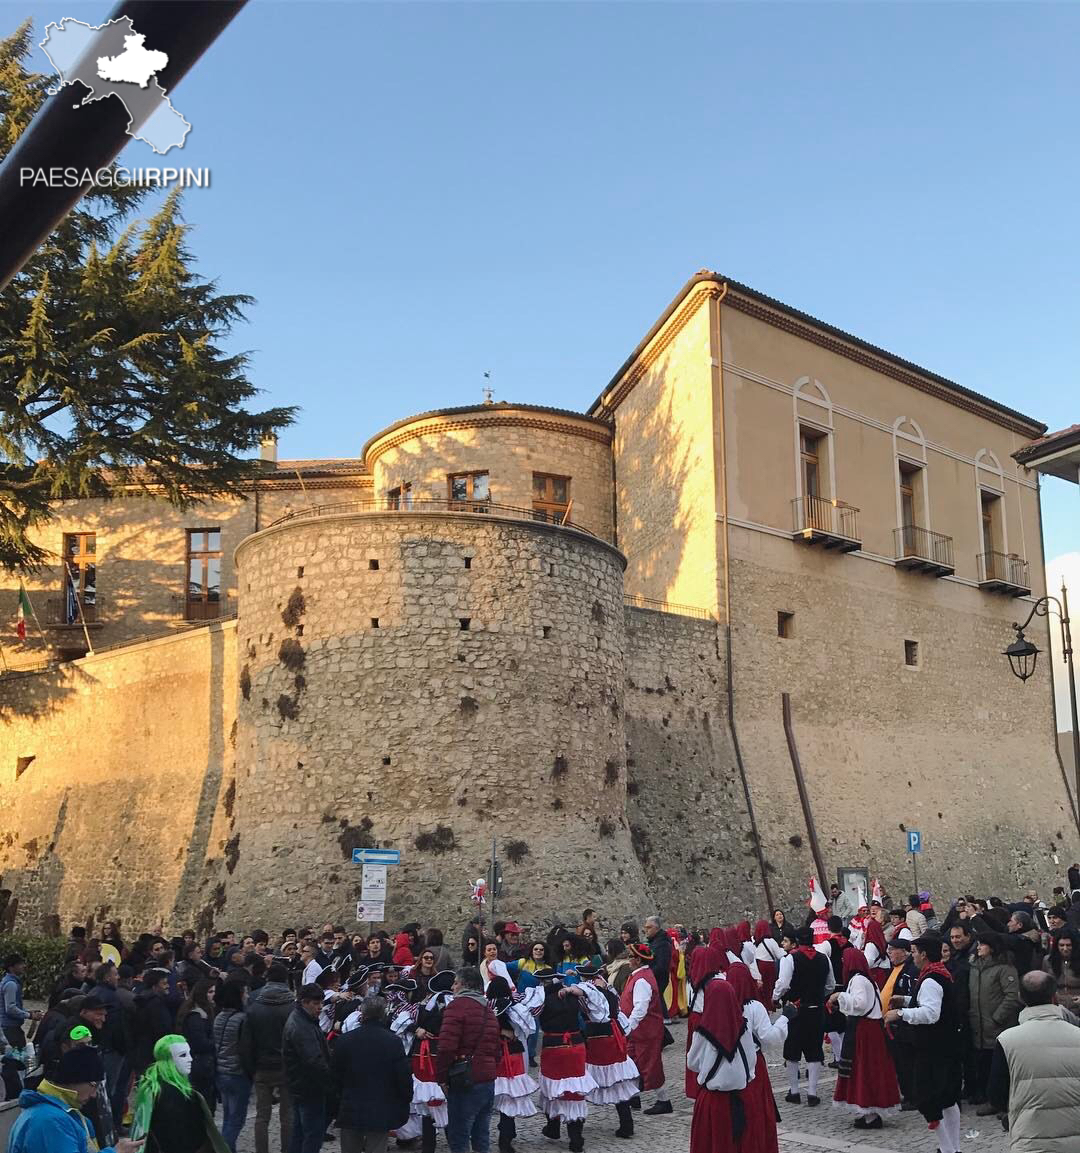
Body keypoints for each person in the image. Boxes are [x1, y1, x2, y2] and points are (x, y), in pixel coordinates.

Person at [884, 935, 962, 1153]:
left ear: (924, 954)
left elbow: (930, 1013)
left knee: (927, 1097)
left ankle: (947, 1148)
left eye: (915, 951)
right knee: (947, 1098)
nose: (913, 956)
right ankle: (953, 1147)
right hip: (945, 1044)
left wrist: (899, 1013)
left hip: (933, 1047)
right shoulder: (938, 974)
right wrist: (907, 1000)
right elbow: (933, 1002)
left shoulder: (930, 979)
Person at [988, 969, 1080, 1149]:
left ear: (1020, 997)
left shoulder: (1007, 1040)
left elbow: (996, 1095)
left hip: (1030, 1138)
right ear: (1055, 996)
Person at [8, 1044, 144, 1153]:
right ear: (75, 1079)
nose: (94, 1095)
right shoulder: (50, 1121)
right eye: (94, 1085)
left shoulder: (59, 1112)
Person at [826, 949, 899, 1129]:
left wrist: (839, 996)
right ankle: (865, 1112)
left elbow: (860, 1004)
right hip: (864, 1028)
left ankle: (870, 1114)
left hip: (865, 1030)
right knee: (863, 1070)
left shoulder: (858, 980)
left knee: (865, 1070)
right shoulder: (864, 979)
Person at [332, 995, 413, 1153]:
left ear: (363, 1013)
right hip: (380, 1106)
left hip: (350, 1105)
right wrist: (405, 1099)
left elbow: (334, 1076)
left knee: (349, 1147)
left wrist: (335, 1104)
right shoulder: (393, 1042)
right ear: (383, 1014)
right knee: (377, 1147)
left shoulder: (345, 1040)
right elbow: (402, 1076)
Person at [686, 975, 757, 1153]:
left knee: (710, 1145)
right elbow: (751, 1064)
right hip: (739, 1098)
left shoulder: (702, 1033)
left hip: (712, 1101)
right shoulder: (745, 1029)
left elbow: (692, 1063)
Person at [435, 965, 501, 1153]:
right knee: (481, 1134)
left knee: (459, 1136)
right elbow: (496, 1047)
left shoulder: (456, 1006)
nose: (453, 988)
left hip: (465, 1078)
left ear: (463, 985)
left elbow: (446, 1046)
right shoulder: (488, 1010)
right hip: (487, 1078)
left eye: (455, 983)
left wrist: (441, 1077)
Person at [725, 962, 789, 1153]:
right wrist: (785, 1018)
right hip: (753, 1064)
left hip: (728, 1067)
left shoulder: (722, 1005)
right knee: (756, 1111)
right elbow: (768, 1038)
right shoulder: (754, 1007)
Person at [569, 964, 637, 1140]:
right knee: (618, 1080)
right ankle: (626, 1124)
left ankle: (576, 1130)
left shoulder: (587, 990)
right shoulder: (608, 989)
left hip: (597, 1037)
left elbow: (579, 994)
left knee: (585, 1080)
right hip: (615, 1035)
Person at [131, 1034, 229, 1153]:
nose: (190, 1059)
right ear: (168, 1060)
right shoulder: (176, 1094)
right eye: (183, 1055)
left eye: (189, 1053)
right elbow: (183, 1138)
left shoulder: (153, 1088)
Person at [534, 966, 597, 1151]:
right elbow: (589, 1010)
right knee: (574, 1090)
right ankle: (575, 1138)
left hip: (553, 1047)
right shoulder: (574, 996)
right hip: (576, 1045)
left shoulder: (542, 998)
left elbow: (530, 1014)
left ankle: (553, 1127)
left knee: (553, 1087)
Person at [775, 927, 831, 1106]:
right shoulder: (824, 958)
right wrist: (819, 995)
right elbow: (830, 984)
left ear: (797, 941)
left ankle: (794, 1091)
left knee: (792, 1051)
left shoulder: (790, 958)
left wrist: (775, 997)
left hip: (797, 1010)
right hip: (816, 1009)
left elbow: (783, 984)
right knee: (814, 1050)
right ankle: (813, 1093)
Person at [484, 975, 540, 1152]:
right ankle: (506, 1137)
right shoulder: (515, 1007)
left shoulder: (485, 1007)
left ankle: (505, 1132)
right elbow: (528, 1028)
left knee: (499, 1093)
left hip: (492, 1054)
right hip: (512, 1054)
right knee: (510, 1094)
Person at [967, 931, 1020, 1112]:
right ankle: (988, 1097)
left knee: (999, 1067)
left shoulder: (1005, 968)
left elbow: (1012, 996)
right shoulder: (974, 966)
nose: (979, 947)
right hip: (978, 1024)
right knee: (983, 1064)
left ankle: (1000, 1102)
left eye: (983, 944)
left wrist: (997, 1017)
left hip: (997, 1025)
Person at [246, 961, 295, 1153]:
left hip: (261, 1066)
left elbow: (246, 1042)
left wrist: (251, 1068)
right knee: (287, 1116)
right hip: (286, 1066)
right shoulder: (292, 1005)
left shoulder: (254, 1004)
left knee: (261, 1116)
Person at [620, 942, 669, 1115]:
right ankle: (633, 1096)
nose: (628, 960)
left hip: (646, 1030)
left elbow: (641, 1007)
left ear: (639, 960)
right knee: (631, 1061)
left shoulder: (642, 980)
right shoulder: (639, 976)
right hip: (639, 1031)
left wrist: (628, 1026)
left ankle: (664, 1101)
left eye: (631, 957)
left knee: (650, 1065)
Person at [282, 983, 332, 1153]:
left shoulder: (303, 1019)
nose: (320, 1007)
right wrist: (331, 1081)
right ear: (304, 1002)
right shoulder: (301, 1026)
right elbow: (314, 1061)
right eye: (316, 1004)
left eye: (321, 1003)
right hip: (309, 1087)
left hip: (301, 1085)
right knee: (312, 1134)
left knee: (300, 1132)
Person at [213, 978, 253, 1153]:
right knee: (236, 1119)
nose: (247, 995)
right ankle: (225, 1149)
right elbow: (246, 1049)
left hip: (221, 1071)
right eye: (244, 992)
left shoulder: (219, 1016)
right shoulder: (242, 1019)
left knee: (229, 1115)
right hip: (237, 1073)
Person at [176, 978, 217, 1109]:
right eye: (210, 992)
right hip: (199, 1064)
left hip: (201, 1063)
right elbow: (200, 1043)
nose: (213, 995)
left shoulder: (200, 1013)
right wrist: (217, 1043)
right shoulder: (196, 1016)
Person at [131, 969, 174, 1079]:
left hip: (143, 1053)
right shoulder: (155, 1004)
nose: (168, 986)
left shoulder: (141, 1001)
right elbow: (162, 1030)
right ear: (154, 987)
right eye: (164, 983)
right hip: (154, 1054)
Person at [1, 954, 42, 1054]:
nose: (23, 966)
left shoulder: (10, 982)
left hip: (10, 1026)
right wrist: (30, 1015)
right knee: (18, 1056)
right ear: (11, 967)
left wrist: (27, 1012)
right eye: (20, 964)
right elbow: (10, 1009)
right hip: (10, 1027)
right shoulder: (11, 984)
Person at [1043, 926, 1080, 1013]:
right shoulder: (1048, 960)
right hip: (1057, 1007)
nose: (1065, 949)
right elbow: (1045, 984)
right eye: (1061, 945)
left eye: (1068, 945)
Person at [752, 920, 783, 1009]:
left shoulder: (755, 942)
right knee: (770, 987)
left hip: (759, 965)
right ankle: (771, 1005)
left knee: (763, 989)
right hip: (769, 966)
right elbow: (779, 955)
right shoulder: (770, 941)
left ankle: (764, 1006)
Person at [642, 917, 671, 1007]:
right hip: (654, 975)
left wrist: (649, 974)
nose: (646, 930)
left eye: (649, 927)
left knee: (657, 1000)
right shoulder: (654, 941)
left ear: (657, 928)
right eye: (645, 927)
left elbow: (661, 965)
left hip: (658, 977)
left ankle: (665, 1019)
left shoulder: (662, 943)